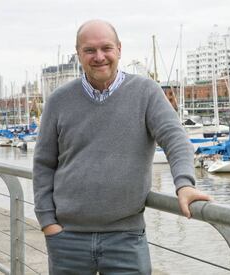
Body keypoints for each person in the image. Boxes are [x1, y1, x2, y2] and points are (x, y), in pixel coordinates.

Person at [33, 19, 211, 275]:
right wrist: (48, 222)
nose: (99, 57)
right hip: (67, 238)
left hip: (126, 237)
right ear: (78, 54)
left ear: (119, 49)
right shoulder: (59, 100)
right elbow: (43, 164)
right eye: (90, 50)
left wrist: (185, 184)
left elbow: (175, 138)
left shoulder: (146, 92)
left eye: (106, 48)